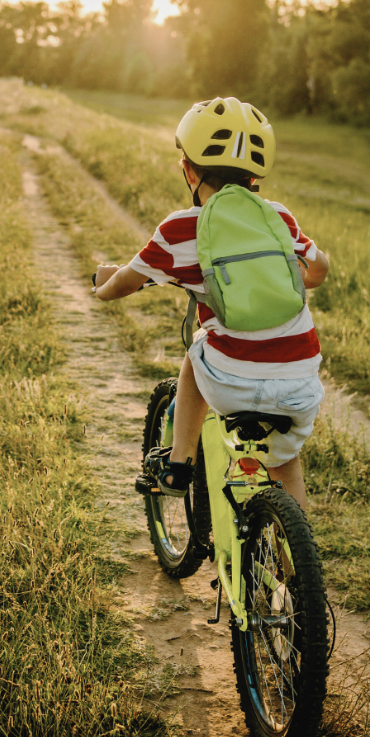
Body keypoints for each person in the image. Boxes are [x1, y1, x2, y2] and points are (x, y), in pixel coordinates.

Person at [92, 97, 329, 510]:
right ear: (255, 175)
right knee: (284, 462)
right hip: (300, 384)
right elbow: (319, 268)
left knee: (195, 352)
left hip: (231, 381)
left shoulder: (182, 228)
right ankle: (296, 546)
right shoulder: (278, 218)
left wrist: (100, 285)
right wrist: (297, 278)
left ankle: (178, 464)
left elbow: (123, 284)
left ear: (189, 169)